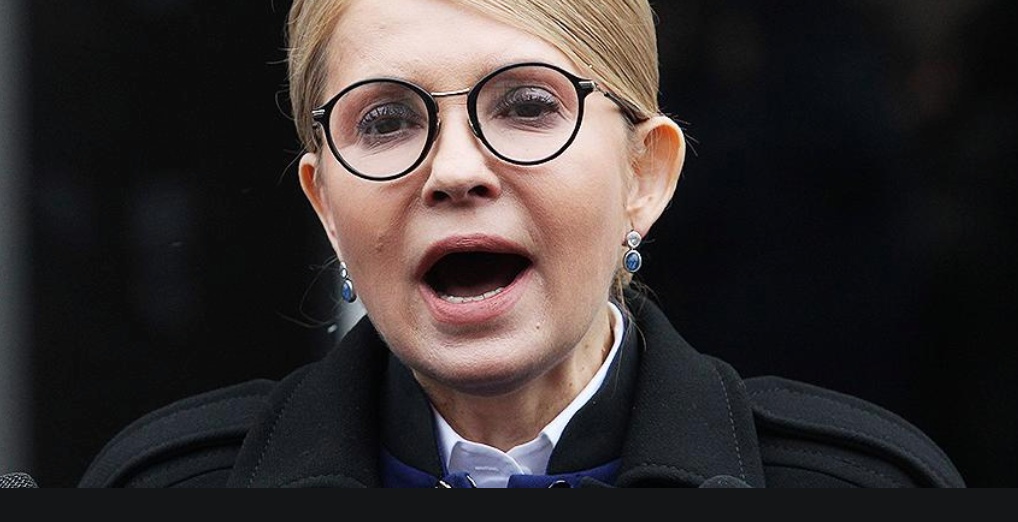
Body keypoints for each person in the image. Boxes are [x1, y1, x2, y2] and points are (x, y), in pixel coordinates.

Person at [77, 0, 965, 488]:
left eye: (528, 106)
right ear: (326, 206)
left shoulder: (858, 485)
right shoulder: (167, 485)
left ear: (645, 174)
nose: (455, 171)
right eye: (385, 121)